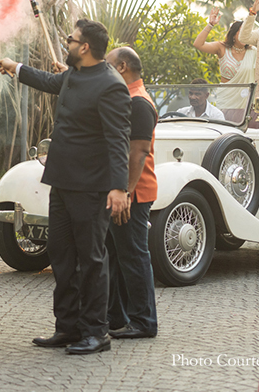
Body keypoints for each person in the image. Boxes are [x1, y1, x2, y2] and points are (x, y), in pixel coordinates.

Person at [0, 19, 130, 356]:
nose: (66, 43)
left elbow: (118, 142)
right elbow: (51, 81)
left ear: (84, 47)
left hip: (91, 188)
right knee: (62, 256)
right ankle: (67, 327)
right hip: (62, 182)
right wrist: (16, 68)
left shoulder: (111, 85)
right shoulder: (75, 73)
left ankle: (96, 333)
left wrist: (118, 188)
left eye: (70, 40)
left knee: (91, 259)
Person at [102, 47, 157, 340]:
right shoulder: (128, 99)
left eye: (108, 66)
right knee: (116, 255)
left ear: (122, 67)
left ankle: (144, 320)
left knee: (134, 256)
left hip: (133, 192)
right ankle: (117, 316)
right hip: (123, 191)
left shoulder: (139, 103)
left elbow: (138, 152)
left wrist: (125, 191)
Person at [192, 8, 257, 109]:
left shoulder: (253, 51)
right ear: (233, 34)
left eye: (247, 32)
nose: (245, 35)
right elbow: (198, 44)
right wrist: (210, 24)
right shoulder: (222, 48)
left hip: (246, 101)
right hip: (226, 101)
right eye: (241, 32)